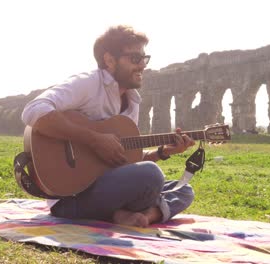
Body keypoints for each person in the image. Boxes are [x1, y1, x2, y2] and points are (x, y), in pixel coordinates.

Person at [21, 25, 196, 228]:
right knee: (151, 174)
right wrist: (92, 139)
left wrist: (163, 151)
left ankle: (143, 216)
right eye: (135, 59)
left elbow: (125, 159)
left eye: (144, 58)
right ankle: (122, 213)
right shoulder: (87, 83)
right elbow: (33, 109)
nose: (142, 66)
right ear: (109, 60)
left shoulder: (132, 102)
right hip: (72, 197)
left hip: (109, 187)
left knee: (183, 189)